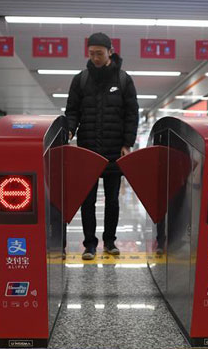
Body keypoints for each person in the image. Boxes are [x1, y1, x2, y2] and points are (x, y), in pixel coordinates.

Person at [65, 32, 139, 260]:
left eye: (99, 53)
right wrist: (69, 129)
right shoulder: (81, 80)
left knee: (113, 200)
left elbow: (131, 114)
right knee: (87, 200)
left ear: (110, 52)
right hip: (87, 149)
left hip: (114, 150)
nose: (95, 57)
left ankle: (109, 241)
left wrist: (128, 143)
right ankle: (89, 244)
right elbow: (72, 111)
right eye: (91, 53)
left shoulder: (124, 80)